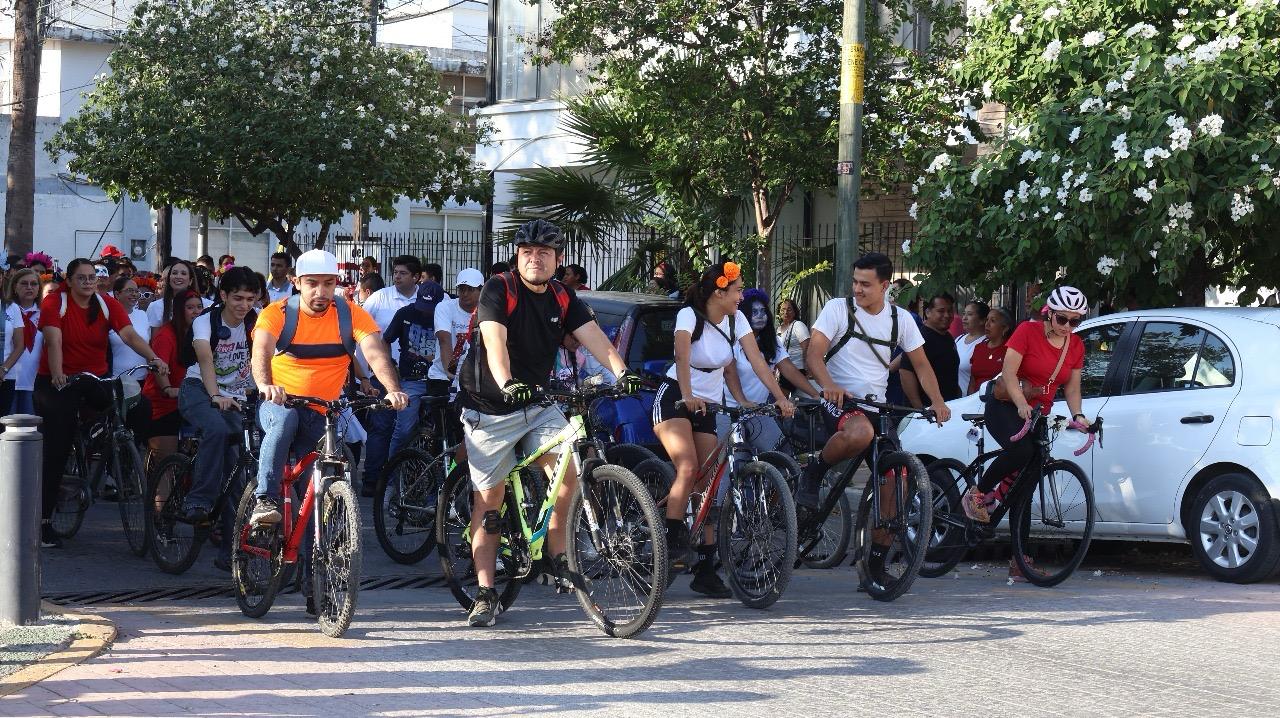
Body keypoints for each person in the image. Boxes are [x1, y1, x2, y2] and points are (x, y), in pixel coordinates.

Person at [459, 219, 639, 628]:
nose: (535, 259)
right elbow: (494, 342)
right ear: (517, 257)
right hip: (489, 406)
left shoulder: (562, 296)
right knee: (490, 502)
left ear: (558, 261)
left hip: (537, 403)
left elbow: (597, 339)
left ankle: (557, 556)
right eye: (527, 252)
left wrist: (621, 373)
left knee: (572, 467)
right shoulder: (499, 288)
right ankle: (486, 592)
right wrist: (507, 383)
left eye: (544, 253)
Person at [652, 262, 796, 599]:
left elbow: (758, 360)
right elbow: (681, 353)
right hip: (676, 396)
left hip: (709, 405)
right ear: (719, 292)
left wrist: (779, 398)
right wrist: (687, 395)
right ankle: (672, 540)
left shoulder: (736, 319)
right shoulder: (690, 315)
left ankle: (705, 567)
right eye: (737, 291)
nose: (742, 296)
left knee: (706, 486)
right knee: (687, 467)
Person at [799, 253, 951, 559]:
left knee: (897, 482)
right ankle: (815, 470)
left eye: (865, 284)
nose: (857, 289)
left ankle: (877, 561)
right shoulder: (837, 310)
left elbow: (920, 365)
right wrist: (828, 384)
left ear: (885, 286)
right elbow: (813, 355)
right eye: (855, 282)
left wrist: (937, 402)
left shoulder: (901, 319)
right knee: (860, 432)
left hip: (877, 407)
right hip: (839, 402)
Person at [249, 249, 408, 527]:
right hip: (280, 404)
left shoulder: (350, 314)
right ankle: (266, 499)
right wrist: (266, 385)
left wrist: (392, 389)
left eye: (328, 283)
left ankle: (312, 561)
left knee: (312, 491)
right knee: (285, 420)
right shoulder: (278, 313)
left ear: (337, 283)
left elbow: (374, 352)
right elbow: (261, 350)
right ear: (296, 282)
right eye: (312, 283)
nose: (320, 291)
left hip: (322, 411)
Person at [35, 259, 169, 548]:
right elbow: (53, 340)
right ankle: (44, 523)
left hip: (94, 377)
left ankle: (114, 451)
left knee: (139, 406)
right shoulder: (55, 303)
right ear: (68, 281)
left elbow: (129, 334)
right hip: (58, 380)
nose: (87, 282)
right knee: (56, 448)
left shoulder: (106, 303)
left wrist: (153, 358)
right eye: (81, 278)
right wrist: (58, 373)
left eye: (91, 278)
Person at [964, 287, 1091, 581]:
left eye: (1076, 321)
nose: (1068, 327)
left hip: (1037, 413)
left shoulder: (1075, 346)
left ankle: (1020, 561)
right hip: (1006, 403)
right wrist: (1021, 403)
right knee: (1021, 451)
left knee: (1025, 485)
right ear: (1048, 313)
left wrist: (1079, 416)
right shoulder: (1027, 331)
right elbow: (1008, 373)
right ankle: (979, 494)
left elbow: (1072, 387)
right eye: (1063, 319)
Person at [176, 268, 260, 573]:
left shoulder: (257, 319)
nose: (243, 304)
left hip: (237, 398)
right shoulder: (205, 321)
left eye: (250, 298)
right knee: (215, 428)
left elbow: (270, 355)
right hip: (199, 389)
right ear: (223, 296)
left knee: (237, 473)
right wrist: (215, 396)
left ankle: (230, 551)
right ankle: (197, 501)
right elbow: (205, 359)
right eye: (237, 297)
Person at [359, 255, 423, 494]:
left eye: (403, 273)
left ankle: (403, 481)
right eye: (395, 272)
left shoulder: (427, 299)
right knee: (381, 426)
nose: (397, 277)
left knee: (409, 429)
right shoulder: (379, 297)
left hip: (416, 376)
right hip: (382, 373)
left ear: (416, 277)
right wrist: (364, 370)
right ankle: (372, 479)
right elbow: (360, 331)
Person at [729, 289, 816, 455]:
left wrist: (816, 394)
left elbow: (788, 369)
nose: (760, 316)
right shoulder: (732, 338)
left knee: (783, 457)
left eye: (763, 311)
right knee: (734, 465)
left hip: (758, 411)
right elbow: (728, 373)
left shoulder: (771, 340)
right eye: (754, 312)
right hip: (729, 411)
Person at [384, 280, 446, 458]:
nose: (426, 312)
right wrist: (390, 364)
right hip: (411, 380)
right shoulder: (405, 313)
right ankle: (390, 479)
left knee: (444, 431)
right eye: (423, 306)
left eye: (430, 308)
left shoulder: (446, 314)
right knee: (403, 431)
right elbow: (385, 340)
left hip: (440, 380)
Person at [143, 289, 203, 463]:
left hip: (191, 401)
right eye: (190, 307)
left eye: (199, 307)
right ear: (178, 310)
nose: (196, 311)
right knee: (166, 464)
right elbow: (158, 368)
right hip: (163, 404)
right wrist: (168, 388)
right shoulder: (165, 335)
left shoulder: (201, 333)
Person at [900, 293, 962, 406]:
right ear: (928, 312)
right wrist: (918, 409)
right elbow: (905, 372)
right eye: (941, 311)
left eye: (950, 311)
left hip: (948, 408)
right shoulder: (920, 338)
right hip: (927, 412)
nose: (947, 315)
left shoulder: (948, 337)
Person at [433, 268, 483, 394]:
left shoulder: (488, 310)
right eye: (461, 289)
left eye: (470, 289)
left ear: (481, 290)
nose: (465, 293)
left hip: (475, 379)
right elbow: (444, 340)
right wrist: (450, 374)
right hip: (442, 376)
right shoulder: (445, 307)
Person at [1, 269, 42, 414]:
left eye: (34, 284)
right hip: (8, 379)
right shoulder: (6, 311)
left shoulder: (45, 314)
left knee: (29, 432)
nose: (29, 287)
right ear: (15, 287)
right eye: (24, 283)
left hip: (33, 381)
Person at [108, 275, 151, 379]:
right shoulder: (109, 316)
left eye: (136, 291)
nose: (134, 294)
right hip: (117, 377)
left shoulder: (143, 315)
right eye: (129, 290)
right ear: (117, 294)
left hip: (143, 378)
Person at [147, 259, 209, 328]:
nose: (178, 276)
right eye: (174, 273)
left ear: (190, 281)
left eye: (183, 273)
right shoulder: (155, 306)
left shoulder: (208, 305)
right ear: (169, 279)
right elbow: (155, 337)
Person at [968, 306, 1013, 394]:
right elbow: (972, 381)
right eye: (987, 320)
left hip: (997, 402)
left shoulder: (1010, 350)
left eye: (993, 321)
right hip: (974, 401)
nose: (987, 324)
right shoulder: (979, 348)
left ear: (1005, 328)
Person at [954, 300, 989, 396]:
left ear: (982, 320)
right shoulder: (959, 339)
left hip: (970, 399)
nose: (964, 318)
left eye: (969, 314)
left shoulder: (986, 344)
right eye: (964, 314)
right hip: (953, 398)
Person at [777, 298, 810, 388]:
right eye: (783, 310)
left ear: (795, 311)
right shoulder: (779, 329)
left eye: (789, 309)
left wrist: (808, 370)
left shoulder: (798, 325)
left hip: (797, 370)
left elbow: (807, 349)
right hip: (783, 371)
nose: (786, 312)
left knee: (785, 398)